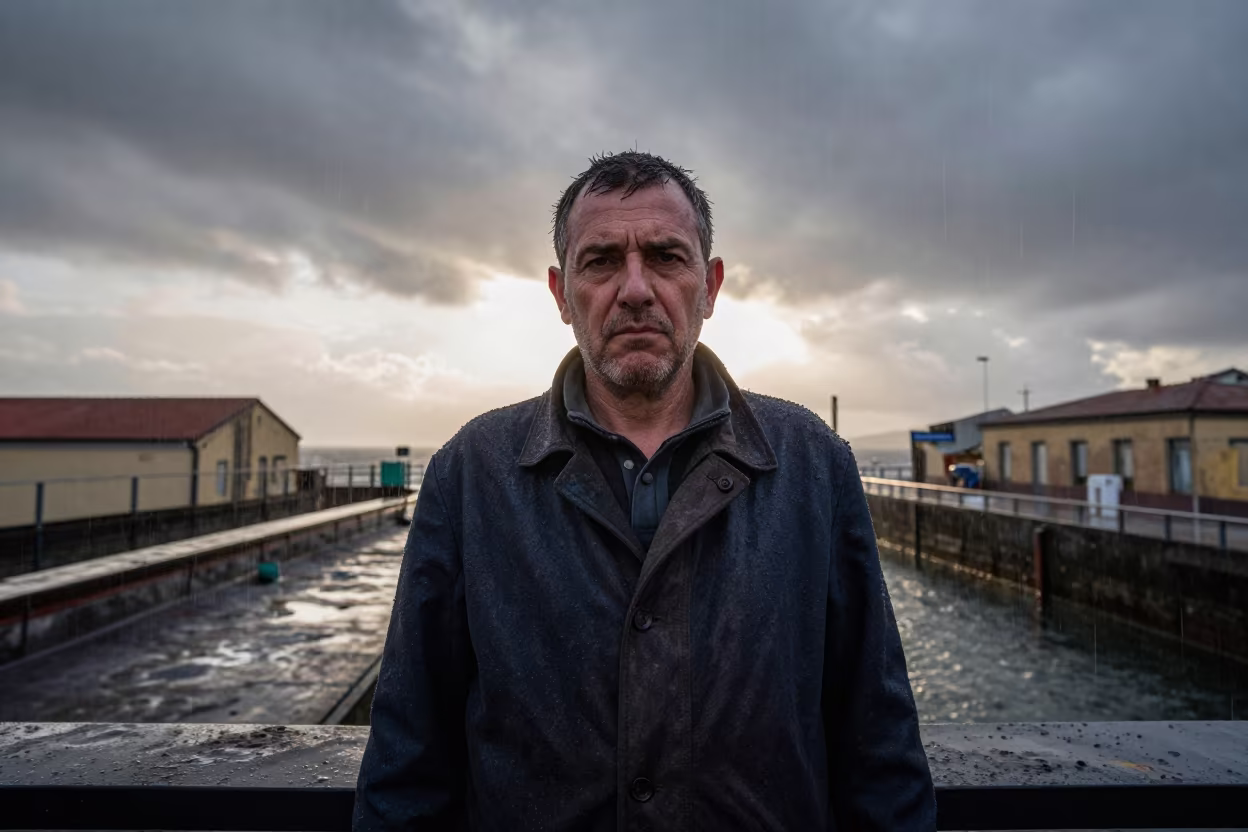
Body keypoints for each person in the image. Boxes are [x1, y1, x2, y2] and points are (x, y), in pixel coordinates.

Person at [354, 151, 935, 831]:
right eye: (601, 261)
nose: (635, 288)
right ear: (560, 293)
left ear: (710, 286)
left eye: (666, 256)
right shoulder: (471, 474)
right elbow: (409, 757)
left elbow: (879, 745)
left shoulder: (811, 465)